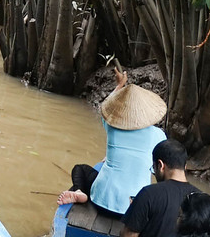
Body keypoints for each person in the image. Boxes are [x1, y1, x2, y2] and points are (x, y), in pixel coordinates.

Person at [57, 65, 167, 219]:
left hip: (100, 201)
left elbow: (105, 108)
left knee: (80, 169)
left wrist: (120, 84)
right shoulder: (159, 135)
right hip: (134, 208)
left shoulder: (112, 127)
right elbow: (155, 169)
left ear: (122, 111)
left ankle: (80, 191)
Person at [84, 137, 190, 237]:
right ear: (185, 166)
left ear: (160, 165)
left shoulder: (149, 193)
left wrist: (134, 213)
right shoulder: (201, 200)